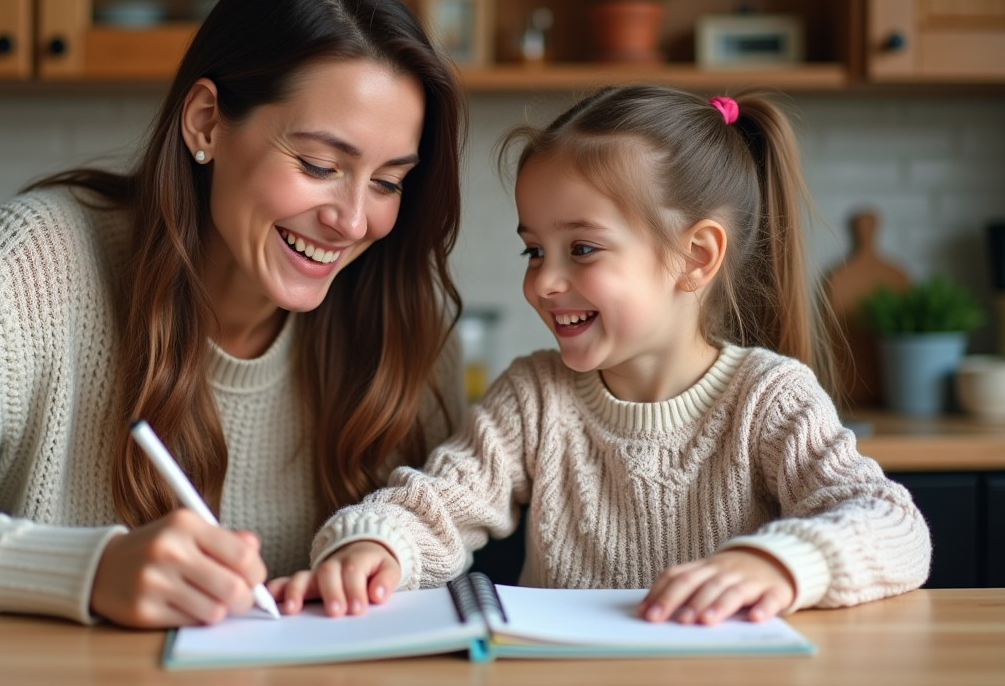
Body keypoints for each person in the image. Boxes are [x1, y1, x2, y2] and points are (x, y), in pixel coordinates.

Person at [0, 0, 467, 628]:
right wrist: (88, 571)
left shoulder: (400, 320)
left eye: (388, 181)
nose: (354, 220)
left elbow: (452, 541)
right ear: (206, 122)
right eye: (320, 164)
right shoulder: (34, 262)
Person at [275, 85, 931, 625]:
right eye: (535, 249)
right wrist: (373, 544)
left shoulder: (768, 398)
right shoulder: (534, 396)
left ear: (695, 257)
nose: (543, 282)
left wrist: (783, 565)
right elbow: (438, 504)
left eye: (581, 249)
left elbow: (893, 526)